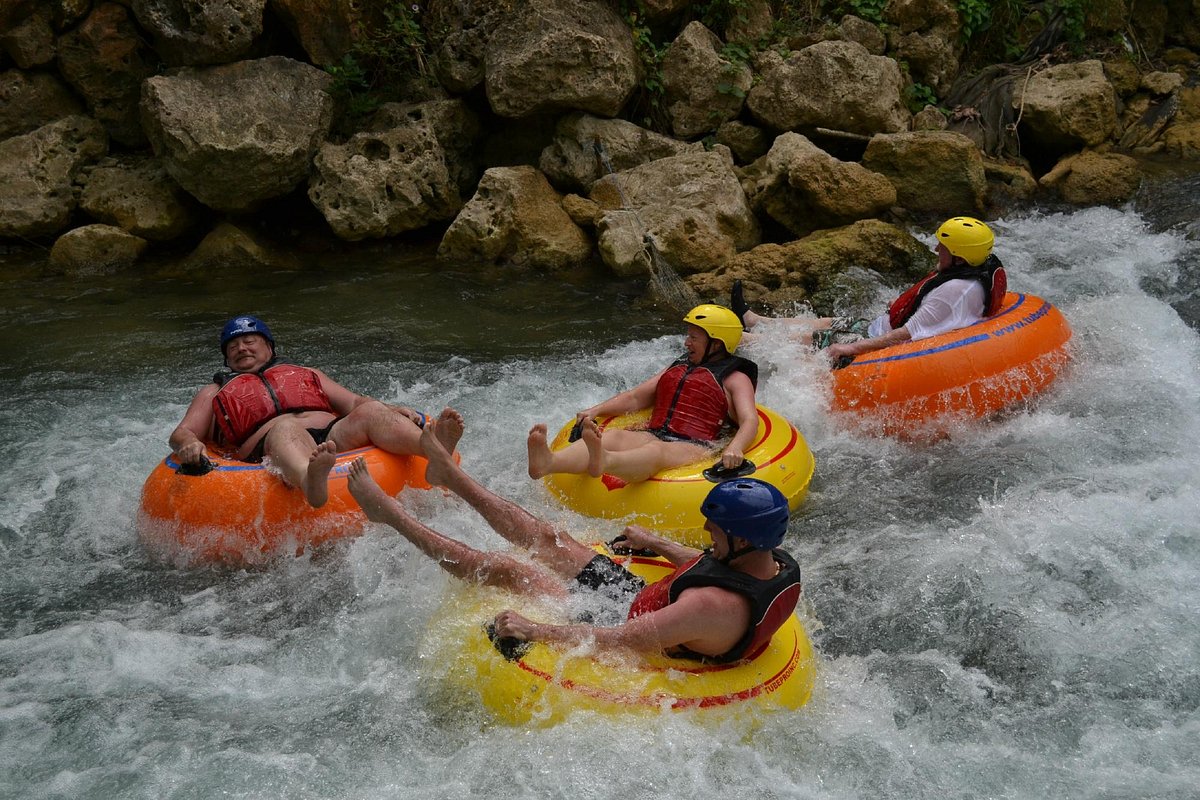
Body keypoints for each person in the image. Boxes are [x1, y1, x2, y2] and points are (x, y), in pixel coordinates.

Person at [347, 408, 802, 663]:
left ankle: (391, 516)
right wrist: (658, 543)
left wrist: (535, 629)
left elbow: (620, 640)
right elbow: (711, 567)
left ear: (742, 539)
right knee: (549, 537)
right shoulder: (770, 559)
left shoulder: (709, 608)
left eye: (716, 529)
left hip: (621, 624)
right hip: (644, 600)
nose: (706, 531)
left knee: (507, 568)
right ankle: (452, 478)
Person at [169, 315, 449, 508]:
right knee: (285, 428)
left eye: (249, 341)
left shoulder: (306, 373)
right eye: (233, 346)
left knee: (371, 410)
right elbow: (184, 432)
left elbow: (354, 403)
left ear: (269, 346)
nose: (241, 348)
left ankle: (430, 448)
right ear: (227, 358)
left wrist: (391, 409)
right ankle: (309, 478)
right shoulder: (214, 391)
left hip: (330, 437)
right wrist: (189, 444)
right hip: (274, 445)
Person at [526, 304, 759, 484]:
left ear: (716, 344)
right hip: (656, 432)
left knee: (655, 451)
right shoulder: (679, 368)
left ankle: (605, 460)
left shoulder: (736, 378)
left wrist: (735, 447)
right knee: (614, 436)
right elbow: (636, 397)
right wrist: (596, 410)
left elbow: (749, 419)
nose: (686, 343)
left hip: (697, 445)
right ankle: (548, 462)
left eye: (694, 338)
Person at [732, 216, 1007, 364]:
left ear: (959, 257)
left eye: (942, 248)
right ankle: (756, 321)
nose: (936, 249)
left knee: (811, 338)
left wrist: (849, 349)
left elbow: (903, 336)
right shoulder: (972, 271)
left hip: (880, 342)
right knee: (828, 321)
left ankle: (733, 339)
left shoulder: (952, 294)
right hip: (880, 326)